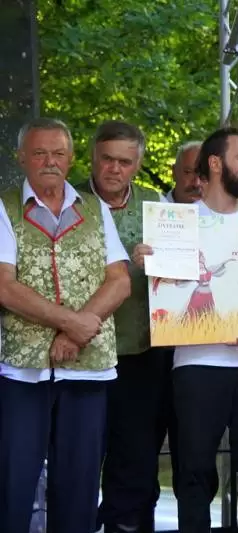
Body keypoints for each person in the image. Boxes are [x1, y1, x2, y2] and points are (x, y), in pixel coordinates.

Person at [133, 127, 238, 533]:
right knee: (194, 471)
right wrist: (148, 260)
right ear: (215, 164)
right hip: (196, 364)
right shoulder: (177, 223)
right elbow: (165, 292)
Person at [0, 118, 131, 533]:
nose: (50, 162)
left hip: (88, 369)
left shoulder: (95, 209)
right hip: (23, 371)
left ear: (71, 159)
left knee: (78, 486)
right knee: (12, 482)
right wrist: (72, 323)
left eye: (58, 153)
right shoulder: (3, 207)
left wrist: (75, 334)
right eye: (39, 153)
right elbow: (4, 286)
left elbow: (120, 280)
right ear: (21, 158)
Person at [79, 120, 177, 533]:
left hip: (140, 350)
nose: (115, 169)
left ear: (137, 164)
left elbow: (184, 272)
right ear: (93, 158)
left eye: (124, 162)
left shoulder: (156, 205)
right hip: (80, 352)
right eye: (107, 159)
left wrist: (160, 260)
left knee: (134, 457)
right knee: (79, 455)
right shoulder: (69, 201)